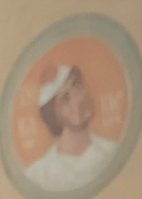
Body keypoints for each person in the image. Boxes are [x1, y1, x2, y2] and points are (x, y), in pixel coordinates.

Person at [24, 64, 121, 192]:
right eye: (66, 98)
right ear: (54, 116)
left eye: (77, 85)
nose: (79, 99)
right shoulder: (39, 175)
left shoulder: (113, 151)